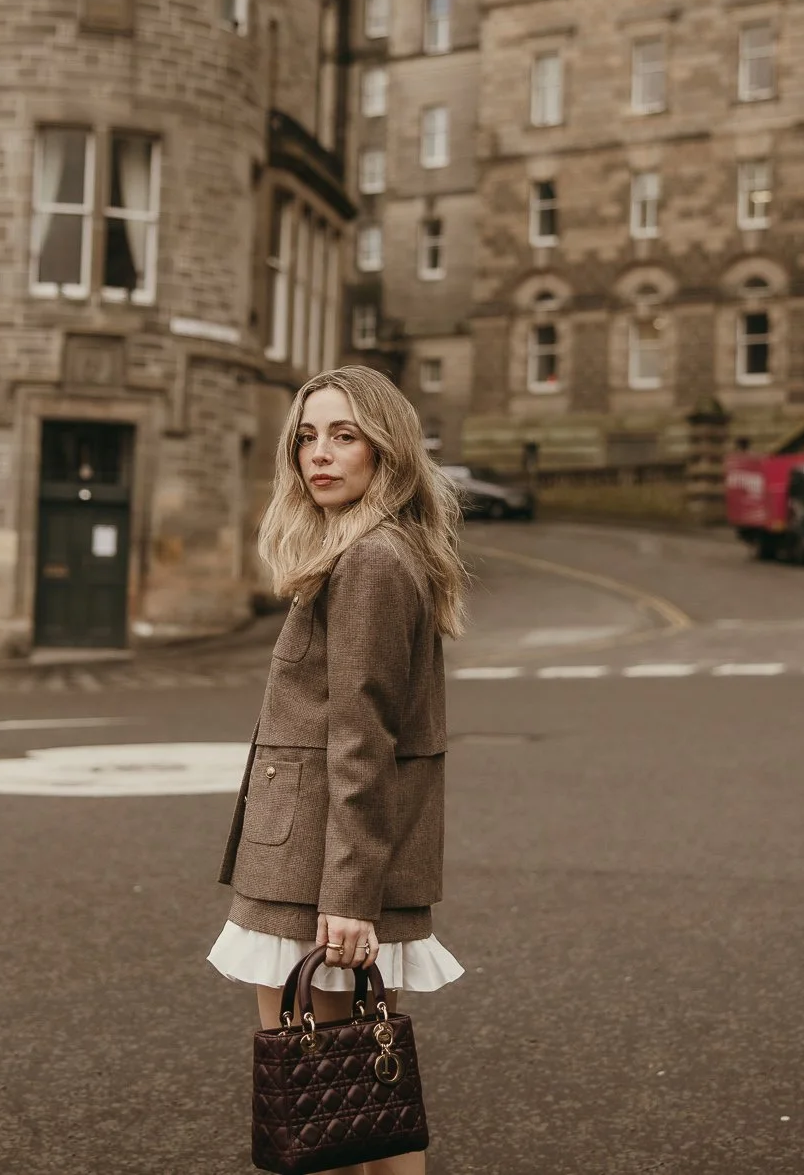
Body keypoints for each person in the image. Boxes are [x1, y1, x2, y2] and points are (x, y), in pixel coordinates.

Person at [209, 366, 468, 1175]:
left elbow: (364, 740)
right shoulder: (368, 550)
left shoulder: (371, 562)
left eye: (344, 435)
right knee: (362, 1098)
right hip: (316, 864)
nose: (319, 453)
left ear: (386, 450)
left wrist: (349, 899)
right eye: (308, 436)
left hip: (317, 874)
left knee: (320, 1111)